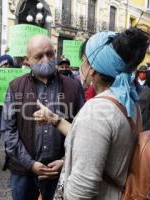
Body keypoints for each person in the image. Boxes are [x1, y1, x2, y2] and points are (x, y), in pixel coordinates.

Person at [33, 28, 149, 199]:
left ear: (92, 68)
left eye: (83, 60)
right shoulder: (128, 102)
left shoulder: (97, 111)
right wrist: (55, 120)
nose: (81, 66)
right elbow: (95, 140)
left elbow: (81, 192)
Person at [1, 35, 84, 200]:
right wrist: (30, 164)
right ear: (27, 60)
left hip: (60, 172)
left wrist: (65, 160)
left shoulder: (73, 87)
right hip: (24, 173)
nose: (46, 60)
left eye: (50, 54)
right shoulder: (15, 87)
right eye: (39, 56)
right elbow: (9, 130)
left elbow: (82, 129)